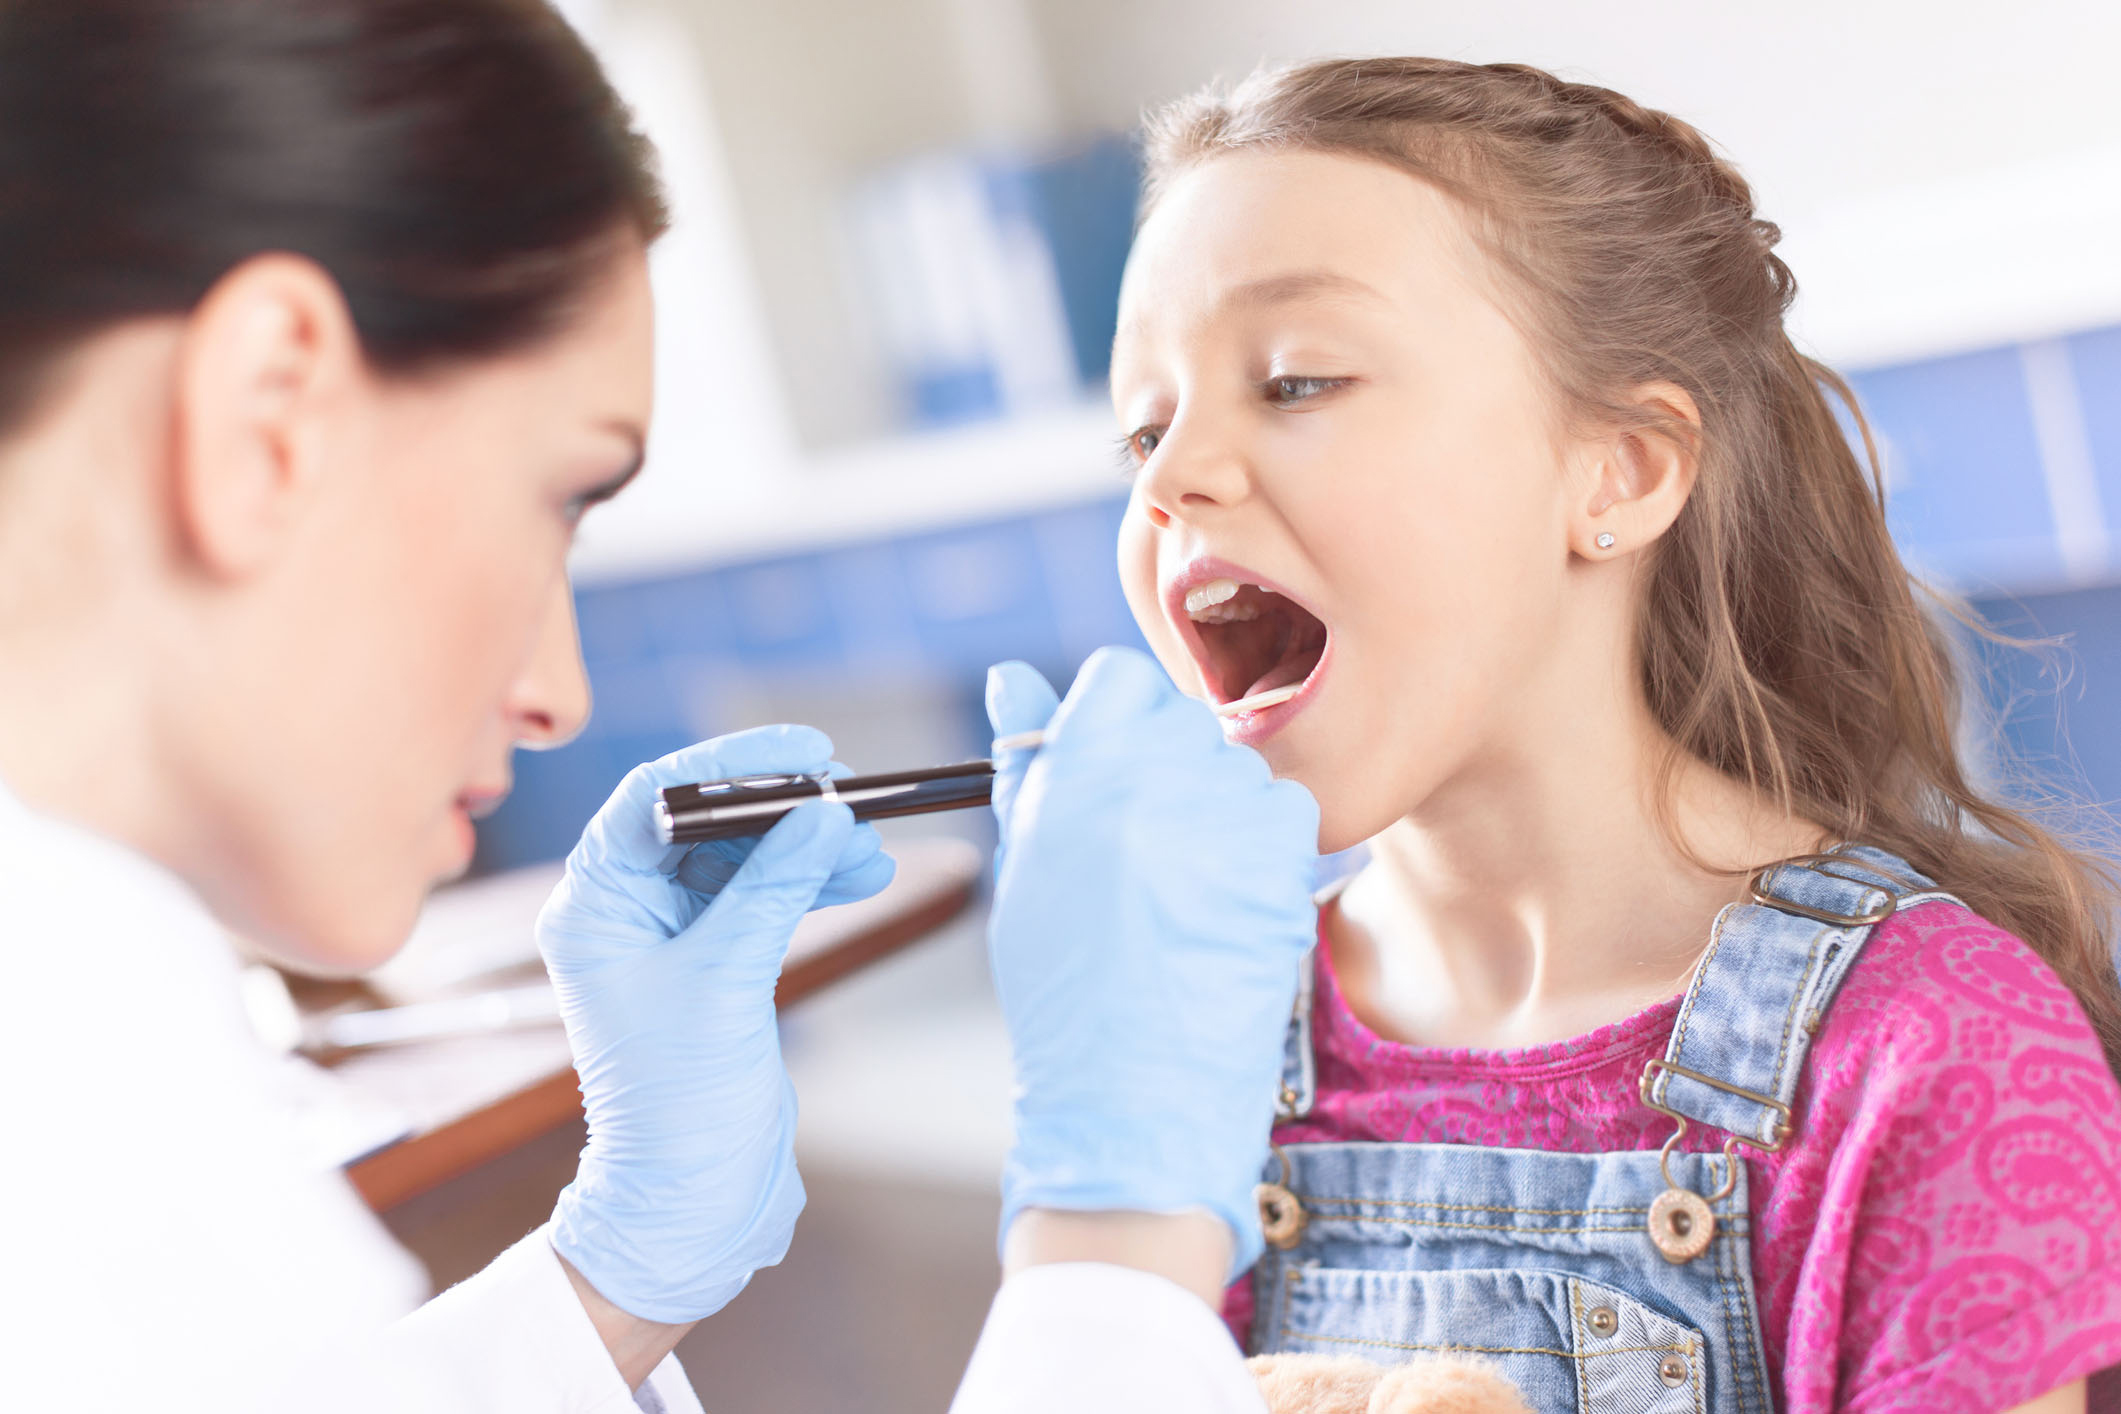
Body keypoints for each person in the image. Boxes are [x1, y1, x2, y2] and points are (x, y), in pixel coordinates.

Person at [0, 2, 1306, 1410]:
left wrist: (608, 1281)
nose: (556, 699)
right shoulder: (74, 1111)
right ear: (272, 413)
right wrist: (1111, 1247)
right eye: (561, 490)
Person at [1098, 56, 2121, 1413]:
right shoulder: (1199, 1044)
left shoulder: (1930, 1049)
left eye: (1295, 380)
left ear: (1619, 470)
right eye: (1141, 427)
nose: (1170, 478)